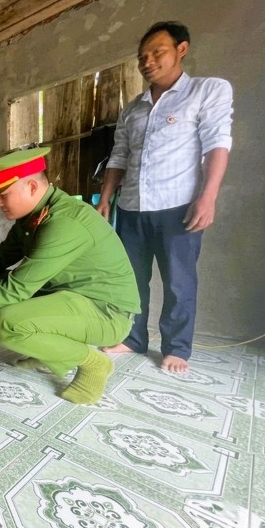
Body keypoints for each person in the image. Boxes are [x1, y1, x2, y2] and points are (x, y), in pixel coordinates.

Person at [0, 148, 140, 404]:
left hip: (106, 313)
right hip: (72, 297)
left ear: (32, 187)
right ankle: (49, 350)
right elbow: (0, 257)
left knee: (6, 322)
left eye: (3, 196)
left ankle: (94, 364)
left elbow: (17, 288)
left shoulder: (64, 223)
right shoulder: (34, 217)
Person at [96, 21, 234, 373]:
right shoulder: (133, 109)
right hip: (131, 207)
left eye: (157, 52)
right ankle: (133, 337)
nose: (148, 61)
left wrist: (208, 196)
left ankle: (176, 347)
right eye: (143, 56)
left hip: (179, 207)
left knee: (178, 280)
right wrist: (106, 198)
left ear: (181, 50)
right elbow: (119, 156)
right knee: (131, 279)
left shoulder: (207, 91)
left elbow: (217, 143)